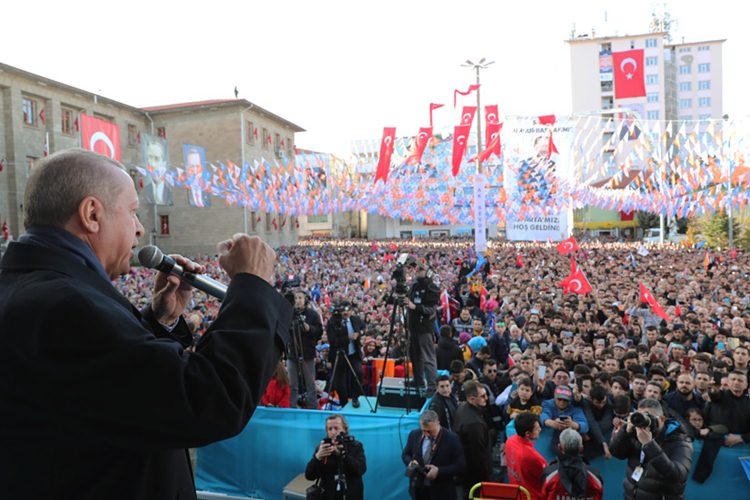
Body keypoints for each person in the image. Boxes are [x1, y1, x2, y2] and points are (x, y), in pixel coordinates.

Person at [0, 149, 292, 499]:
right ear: (92, 214)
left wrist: (157, 320)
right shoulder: (67, 305)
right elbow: (210, 400)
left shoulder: (28, 288)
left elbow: (108, 394)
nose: (140, 229)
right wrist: (252, 287)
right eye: (133, 212)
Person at [608, 398, 692, 500]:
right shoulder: (636, 433)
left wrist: (649, 444)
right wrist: (625, 432)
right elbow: (616, 453)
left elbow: (678, 476)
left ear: (661, 419)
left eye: (649, 417)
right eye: (641, 416)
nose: (644, 421)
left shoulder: (680, 442)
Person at [402, 410, 465, 500]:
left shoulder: (452, 439)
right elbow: (405, 454)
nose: (426, 434)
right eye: (423, 430)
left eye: (430, 431)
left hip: (441, 492)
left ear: (438, 423)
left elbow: (460, 466)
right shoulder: (414, 434)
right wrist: (410, 462)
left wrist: (439, 471)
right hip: (418, 489)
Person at [305, 415, 367, 500]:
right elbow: (309, 476)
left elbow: (360, 470)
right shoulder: (322, 449)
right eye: (330, 429)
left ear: (344, 429)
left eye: (336, 428)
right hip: (328, 495)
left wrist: (343, 456)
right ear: (326, 431)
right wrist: (317, 457)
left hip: (351, 495)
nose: (333, 432)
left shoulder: (355, 446)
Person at [405, 258, 440, 394]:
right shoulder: (414, 285)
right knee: (415, 355)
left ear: (428, 272)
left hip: (424, 327)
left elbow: (431, 310)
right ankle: (418, 379)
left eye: (421, 269)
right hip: (412, 326)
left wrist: (415, 307)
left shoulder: (431, 287)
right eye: (417, 269)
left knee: (428, 358)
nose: (418, 270)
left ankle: (432, 385)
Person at [541, 428, 604, 500]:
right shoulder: (595, 477)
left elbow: (543, 496)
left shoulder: (549, 475)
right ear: (581, 448)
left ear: (560, 448)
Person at [453, 380, 491, 495]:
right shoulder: (474, 424)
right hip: (473, 473)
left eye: (486, 395)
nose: (486, 398)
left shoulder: (463, 407)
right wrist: (486, 479)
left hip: (463, 466)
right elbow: (478, 454)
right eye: (483, 396)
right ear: (471, 398)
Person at [287, 290, 323, 408]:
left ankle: (312, 408)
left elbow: (319, 331)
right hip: (292, 354)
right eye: (295, 298)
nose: (297, 300)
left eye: (300, 298)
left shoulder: (312, 314)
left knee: (310, 384)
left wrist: (309, 329)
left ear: (305, 299)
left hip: (308, 353)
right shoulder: (289, 313)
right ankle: (292, 407)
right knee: (293, 384)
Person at [327, 302, 366, 407]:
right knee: (340, 382)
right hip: (339, 355)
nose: (345, 312)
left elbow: (363, 326)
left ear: (351, 311)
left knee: (359, 373)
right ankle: (343, 402)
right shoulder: (332, 322)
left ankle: (355, 397)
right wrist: (348, 338)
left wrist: (359, 333)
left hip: (353, 354)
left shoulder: (355, 319)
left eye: (348, 310)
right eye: (343, 310)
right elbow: (332, 340)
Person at [505, 411, 547, 499]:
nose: (540, 429)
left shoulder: (510, 441)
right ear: (527, 433)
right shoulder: (532, 456)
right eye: (537, 428)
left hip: (515, 493)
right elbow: (547, 478)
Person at [141, 134, 173, 205]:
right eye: (150, 157)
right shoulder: (145, 190)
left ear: (164, 163)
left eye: (157, 159)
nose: (152, 164)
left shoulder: (169, 192)